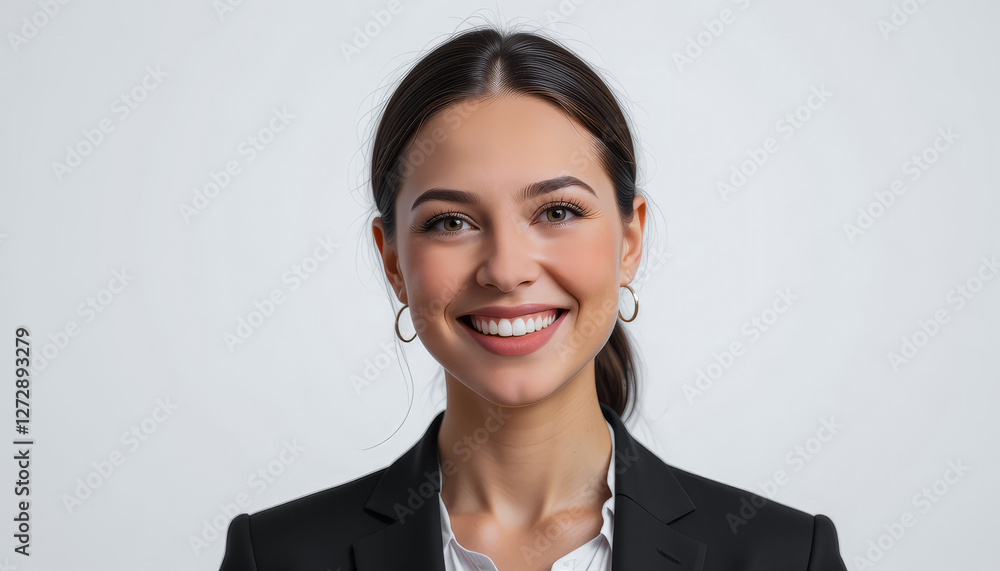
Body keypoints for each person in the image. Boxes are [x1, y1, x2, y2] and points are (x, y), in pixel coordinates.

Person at [218, 24, 849, 571]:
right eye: (450, 221)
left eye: (557, 210)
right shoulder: (277, 558)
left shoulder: (785, 558)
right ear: (393, 262)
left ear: (629, 242)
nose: (506, 269)